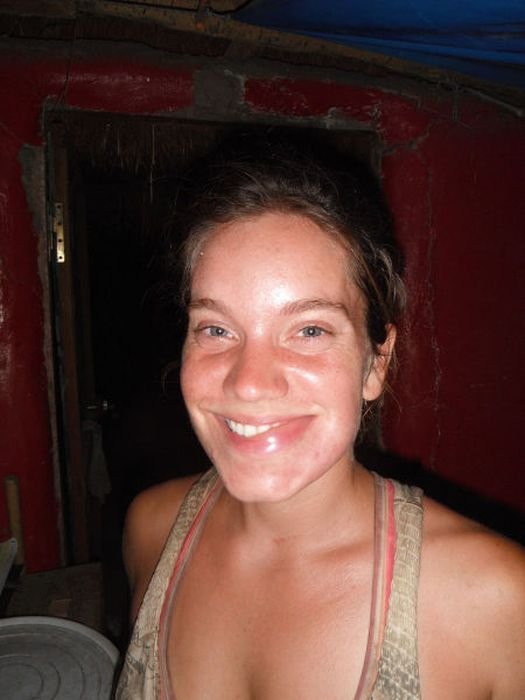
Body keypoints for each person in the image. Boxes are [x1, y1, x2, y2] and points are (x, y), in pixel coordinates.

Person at [116, 133, 525, 699]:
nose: (249, 382)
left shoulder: (496, 600)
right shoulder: (150, 530)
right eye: (216, 328)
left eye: (309, 330)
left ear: (375, 363)